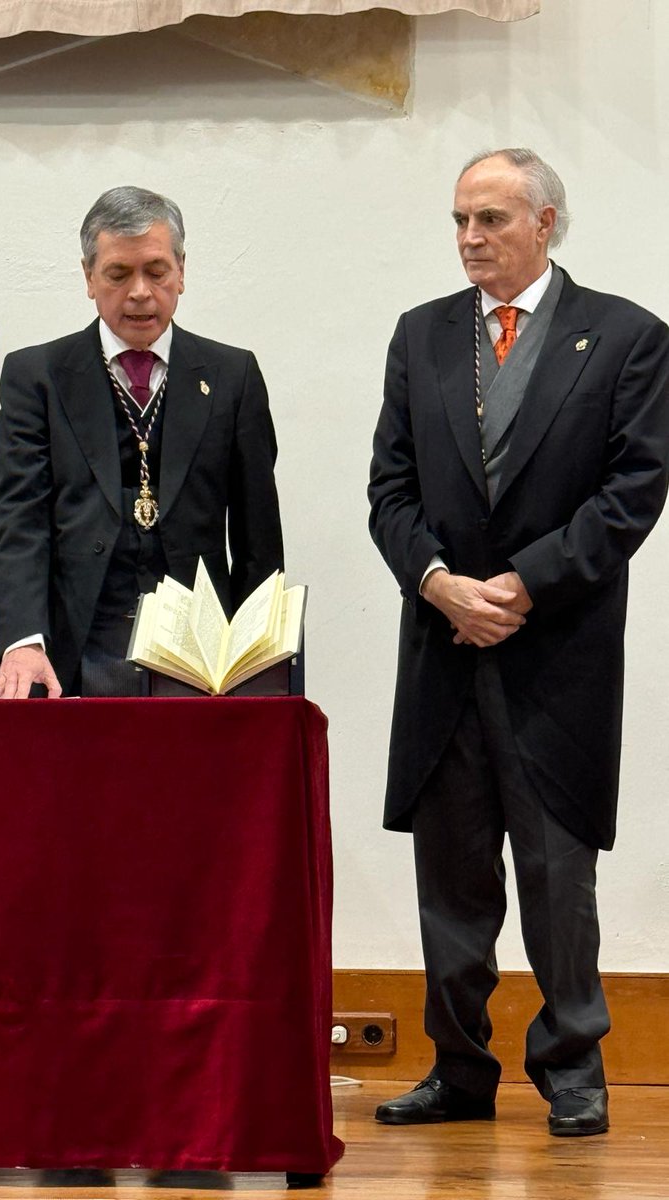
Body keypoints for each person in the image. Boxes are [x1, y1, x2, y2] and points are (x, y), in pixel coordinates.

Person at [367, 148, 669, 1137]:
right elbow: (391, 492)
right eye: (459, 219)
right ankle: (459, 1071)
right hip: (444, 650)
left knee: (556, 879)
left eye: (490, 219)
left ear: (546, 223)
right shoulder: (419, 339)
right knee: (450, 879)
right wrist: (440, 583)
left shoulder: (626, 338)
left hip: (558, 659)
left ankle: (573, 1067)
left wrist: (521, 584)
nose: (468, 239)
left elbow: (632, 494)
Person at [0, 186, 283, 697]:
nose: (140, 292)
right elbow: (17, 520)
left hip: (200, 654)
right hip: (75, 647)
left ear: (182, 272)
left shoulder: (233, 376)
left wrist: (259, 660)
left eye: (157, 271)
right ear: (88, 278)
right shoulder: (39, 376)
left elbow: (258, 535)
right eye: (118, 275)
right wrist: (23, 640)